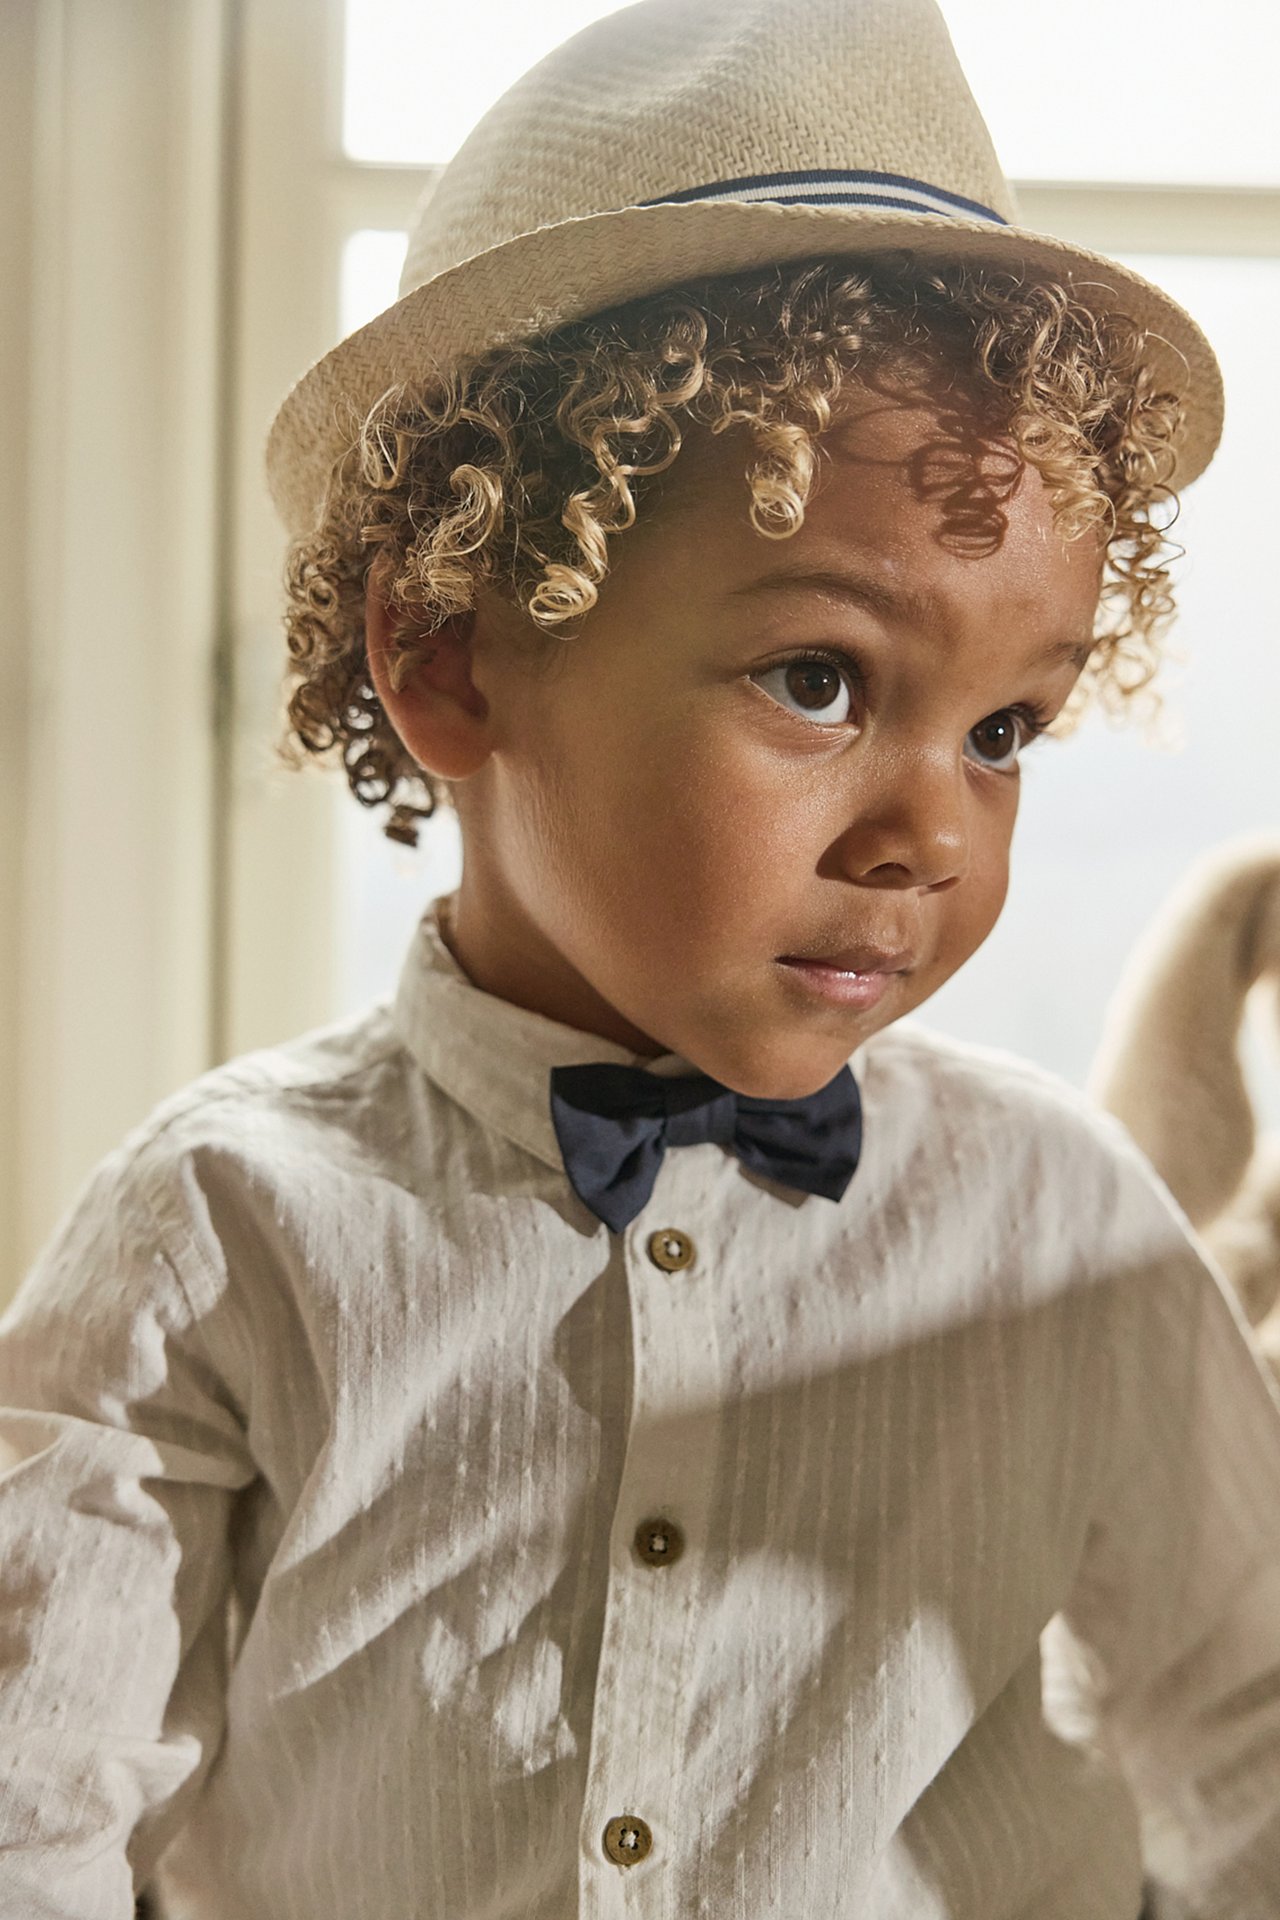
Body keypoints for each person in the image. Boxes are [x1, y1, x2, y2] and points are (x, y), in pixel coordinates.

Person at [2, 1, 1278, 1915]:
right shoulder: (221, 1236)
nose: (934, 827)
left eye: (1007, 730)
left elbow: (1252, 1753)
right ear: (446, 651)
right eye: (820, 679)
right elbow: (35, 1814)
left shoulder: (1066, 1235)